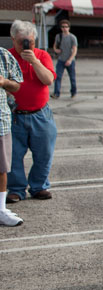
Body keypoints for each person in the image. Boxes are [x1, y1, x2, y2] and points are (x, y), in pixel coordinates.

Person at [7, 20, 56, 204]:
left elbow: (48, 79)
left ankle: (39, 185)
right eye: (22, 42)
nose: (27, 46)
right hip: (15, 115)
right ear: (13, 39)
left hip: (40, 114)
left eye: (31, 42)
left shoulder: (42, 55)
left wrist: (34, 60)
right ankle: (16, 189)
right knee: (13, 155)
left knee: (44, 153)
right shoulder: (6, 57)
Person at [0, 46, 22, 226]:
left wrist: (4, 82)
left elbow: (17, 84)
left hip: (1, 120)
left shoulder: (3, 55)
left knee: (2, 168)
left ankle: (1, 210)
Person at [52, 19, 77, 99]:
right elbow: (55, 45)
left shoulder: (72, 37)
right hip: (61, 59)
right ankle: (56, 93)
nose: (64, 28)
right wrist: (56, 50)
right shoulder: (58, 36)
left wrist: (70, 60)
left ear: (69, 27)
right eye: (63, 27)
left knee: (72, 77)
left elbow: (75, 50)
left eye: (66, 27)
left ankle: (73, 92)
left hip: (70, 61)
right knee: (58, 77)